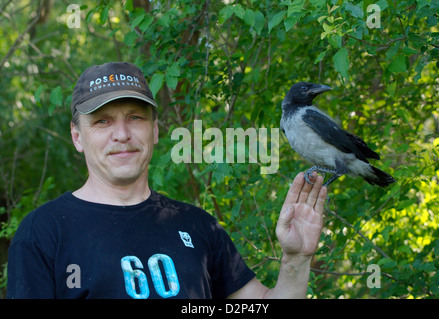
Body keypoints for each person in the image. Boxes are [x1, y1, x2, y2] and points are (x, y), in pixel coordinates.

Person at [6, 62, 327, 299]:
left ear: (155, 129)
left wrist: (296, 260)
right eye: (102, 122)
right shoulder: (42, 234)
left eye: (135, 117)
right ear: (77, 136)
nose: (122, 134)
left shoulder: (199, 227)